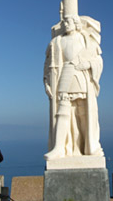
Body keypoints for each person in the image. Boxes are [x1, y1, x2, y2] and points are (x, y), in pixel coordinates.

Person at [43, 15, 104, 160]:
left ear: (76, 23)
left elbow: (97, 59)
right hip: (64, 75)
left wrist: (88, 64)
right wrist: (46, 81)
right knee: (62, 111)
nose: (66, 24)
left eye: (69, 21)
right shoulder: (57, 41)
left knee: (83, 112)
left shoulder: (86, 40)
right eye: (64, 22)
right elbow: (48, 64)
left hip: (80, 76)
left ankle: (87, 146)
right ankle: (59, 147)